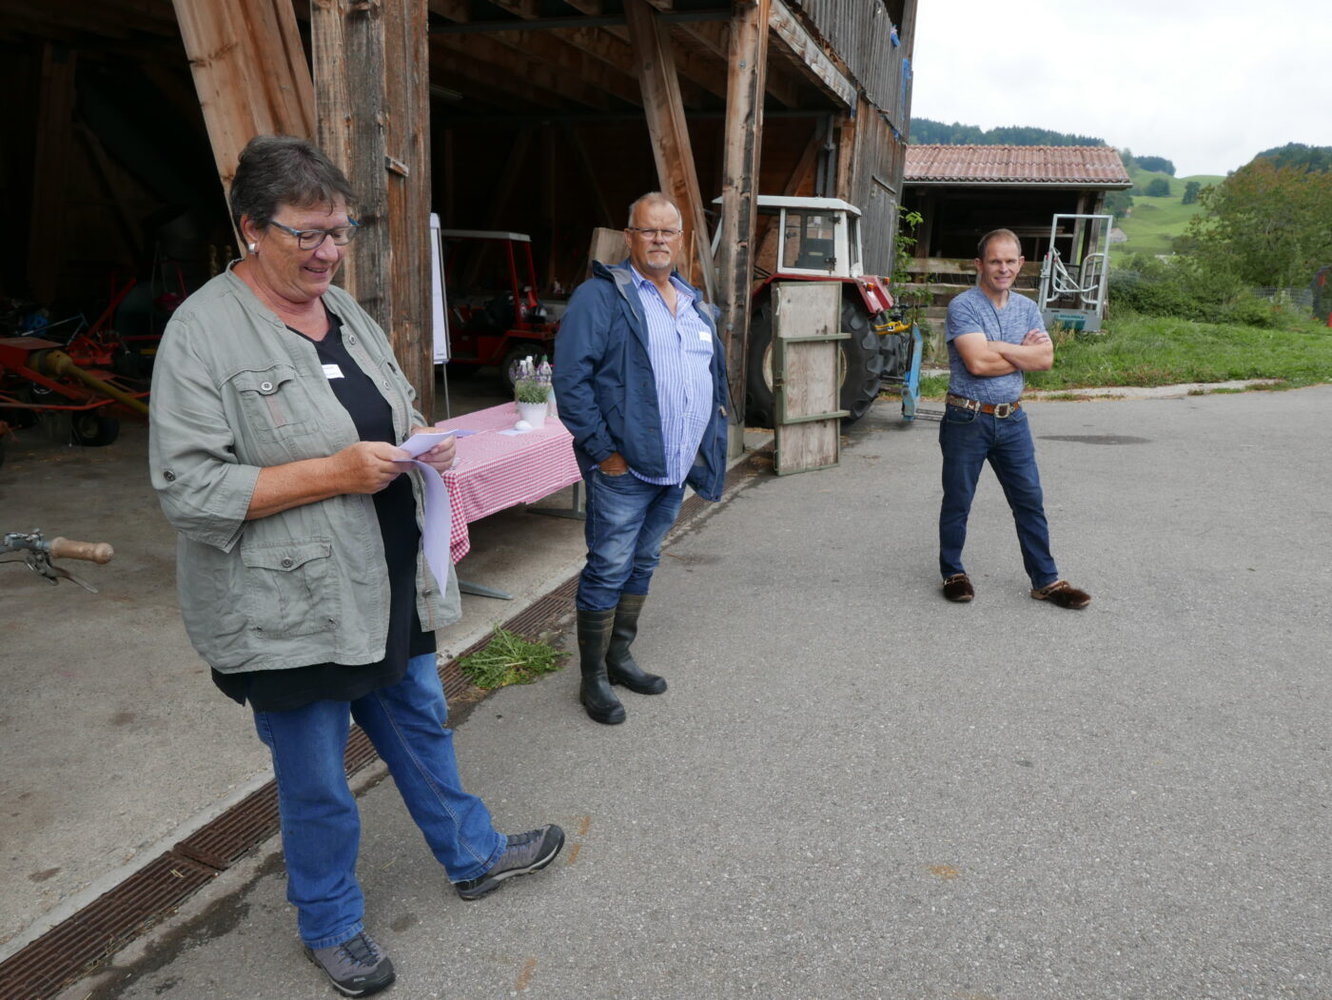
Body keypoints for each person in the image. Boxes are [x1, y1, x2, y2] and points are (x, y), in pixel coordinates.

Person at [148, 135, 562, 998]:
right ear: (252, 228)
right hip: (286, 605)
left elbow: (397, 404)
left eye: (341, 231)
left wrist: (425, 445)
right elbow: (189, 489)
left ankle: (474, 854)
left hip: (385, 577)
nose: (330, 251)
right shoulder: (202, 333)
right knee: (317, 779)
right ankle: (330, 923)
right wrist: (333, 474)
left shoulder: (347, 312)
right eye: (309, 234)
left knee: (417, 725)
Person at [553, 192, 729, 724]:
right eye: (647, 231)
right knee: (608, 566)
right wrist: (604, 451)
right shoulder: (602, 297)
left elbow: (709, 379)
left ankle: (620, 655)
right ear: (629, 237)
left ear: (681, 241)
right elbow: (570, 380)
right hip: (624, 469)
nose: (658, 240)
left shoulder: (694, 301)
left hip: (674, 468)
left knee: (644, 562)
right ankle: (593, 678)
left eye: (667, 232)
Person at [938, 228, 1090, 609]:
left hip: (1012, 421)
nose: (1003, 268)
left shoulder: (1027, 309)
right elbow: (976, 363)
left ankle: (1046, 581)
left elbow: (1045, 360)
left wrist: (999, 348)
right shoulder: (964, 306)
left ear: (1021, 264)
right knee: (959, 499)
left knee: (1029, 500)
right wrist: (1020, 352)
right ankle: (953, 572)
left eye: (1010, 261)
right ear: (980, 264)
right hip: (966, 418)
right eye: (994, 261)